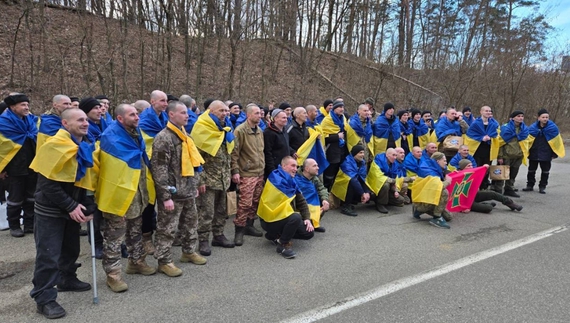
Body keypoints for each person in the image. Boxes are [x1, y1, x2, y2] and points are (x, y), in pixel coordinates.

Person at [29, 108, 97, 319]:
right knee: (48, 255)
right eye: (79, 120)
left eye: (86, 119)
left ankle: (67, 278)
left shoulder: (82, 147)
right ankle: (44, 299)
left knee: (70, 249)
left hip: (72, 208)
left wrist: (87, 206)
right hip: (50, 210)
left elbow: (83, 182)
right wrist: (71, 206)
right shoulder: (53, 146)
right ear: (65, 124)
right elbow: (47, 185)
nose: (85, 123)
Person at [97, 103, 156, 293]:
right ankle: (113, 275)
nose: (137, 117)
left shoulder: (136, 134)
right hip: (119, 197)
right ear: (120, 118)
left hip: (137, 194)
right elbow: (111, 171)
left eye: (137, 114)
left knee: (135, 232)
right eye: (132, 115)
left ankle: (136, 262)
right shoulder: (110, 137)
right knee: (114, 238)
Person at [151, 101, 206, 277]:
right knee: (167, 228)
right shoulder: (163, 138)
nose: (187, 115)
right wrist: (165, 196)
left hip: (188, 190)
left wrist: (196, 184)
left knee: (191, 224)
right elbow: (159, 169)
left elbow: (193, 163)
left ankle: (189, 251)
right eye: (182, 112)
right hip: (173, 193)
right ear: (171, 115)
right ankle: (164, 261)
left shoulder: (185, 135)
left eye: (187, 112)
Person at [191, 100, 236, 256]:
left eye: (226, 110)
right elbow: (195, 159)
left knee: (221, 210)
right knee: (206, 212)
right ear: (210, 111)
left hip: (223, 178)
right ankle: (203, 239)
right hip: (208, 180)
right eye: (221, 111)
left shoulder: (225, 129)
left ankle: (218, 235)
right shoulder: (201, 129)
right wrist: (200, 180)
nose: (225, 113)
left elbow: (229, 155)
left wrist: (231, 173)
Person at [258, 156, 314, 259]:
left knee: (309, 232)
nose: (295, 169)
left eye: (296, 167)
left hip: (284, 217)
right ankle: (283, 244)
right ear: (283, 166)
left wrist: (307, 219)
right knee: (295, 218)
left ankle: (274, 236)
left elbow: (301, 202)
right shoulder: (275, 179)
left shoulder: (292, 181)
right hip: (269, 220)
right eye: (292, 166)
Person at [0, 94, 38, 237]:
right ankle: (14, 226)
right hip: (13, 169)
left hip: (31, 165)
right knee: (15, 199)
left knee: (31, 197)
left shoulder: (31, 121)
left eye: (27, 104)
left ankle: (29, 224)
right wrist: (2, 169)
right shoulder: (2, 123)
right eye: (23, 105)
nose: (26, 107)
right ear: (12, 107)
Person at [138, 90, 169, 256]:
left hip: (164, 165)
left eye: (166, 101)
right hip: (148, 166)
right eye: (162, 101)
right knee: (148, 205)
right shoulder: (144, 121)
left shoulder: (164, 119)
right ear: (152, 101)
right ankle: (146, 238)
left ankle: (162, 235)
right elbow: (146, 144)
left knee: (165, 200)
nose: (165, 104)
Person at [231, 103, 265, 246]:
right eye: (256, 113)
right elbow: (234, 153)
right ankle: (239, 230)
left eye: (260, 113)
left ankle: (249, 225)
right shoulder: (240, 131)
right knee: (245, 202)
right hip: (247, 173)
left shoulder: (259, 131)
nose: (260, 115)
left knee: (255, 201)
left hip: (259, 172)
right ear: (249, 115)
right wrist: (235, 171)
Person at [79, 97, 106, 258]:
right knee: (93, 212)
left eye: (100, 107)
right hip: (90, 175)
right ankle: (96, 244)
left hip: (104, 173)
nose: (100, 110)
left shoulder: (104, 125)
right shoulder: (85, 130)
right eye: (95, 108)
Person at [523, 109, 566, 194]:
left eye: (547, 117)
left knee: (545, 171)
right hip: (534, 152)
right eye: (543, 117)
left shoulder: (553, 128)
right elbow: (527, 140)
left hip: (546, 153)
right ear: (538, 118)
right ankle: (530, 185)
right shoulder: (532, 128)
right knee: (531, 170)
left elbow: (557, 142)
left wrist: (554, 153)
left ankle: (542, 186)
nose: (545, 119)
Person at [456, 160, 522, 213]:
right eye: (468, 166)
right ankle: (484, 204)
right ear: (463, 168)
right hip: (465, 201)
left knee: (492, 193)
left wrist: (485, 169)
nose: (471, 167)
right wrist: (463, 208)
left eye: (471, 165)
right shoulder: (458, 176)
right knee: (488, 208)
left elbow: (480, 177)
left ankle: (510, 203)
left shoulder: (472, 173)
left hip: (473, 195)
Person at [492, 110, 529, 196]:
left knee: (513, 173)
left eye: (522, 116)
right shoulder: (505, 128)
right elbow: (499, 143)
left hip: (518, 155)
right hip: (506, 155)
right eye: (518, 116)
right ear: (512, 118)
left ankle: (509, 188)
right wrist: (500, 156)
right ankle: (498, 190)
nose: (520, 118)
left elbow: (526, 142)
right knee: (501, 174)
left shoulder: (524, 129)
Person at [412, 152, 451, 229]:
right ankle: (436, 218)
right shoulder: (429, 171)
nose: (446, 163)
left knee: (448, 217)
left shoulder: (434, 166)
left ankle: (419, 210)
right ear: (438, 161)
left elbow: (447, 171)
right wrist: (448, 181)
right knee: (444, 192)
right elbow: (439, 187)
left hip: (428, 198)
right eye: (444, 161)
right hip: (423, 199)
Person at [464, 106, 499, 189]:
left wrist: (491, 137)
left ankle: (484, 186)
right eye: (486, 111)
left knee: (486, 169)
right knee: (477, 168)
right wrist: (481, 138)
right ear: (481, 112)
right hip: (477, 150)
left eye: (489, 111)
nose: (488, 112)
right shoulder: (475, 123)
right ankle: (474, 187)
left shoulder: (493, 124)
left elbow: (497, 134)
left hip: (488, 150)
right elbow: (470, 135)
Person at [331, 145, 371, 216]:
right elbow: (353, 179)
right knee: (351, 182)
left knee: (370, 193)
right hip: (341, 186)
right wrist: (362, 193)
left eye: (363, 153)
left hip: (354, 183)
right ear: (354, 154)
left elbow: (363, 179)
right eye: (360, 153)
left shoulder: (362, 162)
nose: (362, 155)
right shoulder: (347, 162)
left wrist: (367, 192)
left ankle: (353, 201)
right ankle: (346, 206)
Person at [366, 148, 406, 214]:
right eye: (393, 155)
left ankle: (380, 199)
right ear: (387, 155)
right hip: (375, 185)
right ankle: (380, 204)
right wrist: (391, 181)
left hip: (389, 185)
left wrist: (395, 190)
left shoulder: (394, 164)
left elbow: (395, 178)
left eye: (396, 155)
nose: (395, 157)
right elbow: (378, 177)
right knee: (386, 184)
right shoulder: (377, 161)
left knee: (401, 201)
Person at [295, 158, 329, 232]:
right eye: (314, 166)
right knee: (306, 233)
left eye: (317, 165)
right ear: (307, 169)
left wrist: (325, 200)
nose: (318, 168)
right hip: (299, 207)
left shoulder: (314, 178)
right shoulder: (296, 179)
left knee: (322, 201)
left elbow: (322, 189)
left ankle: (314, 223)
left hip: (310, 205)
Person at [321, 100, 349, 189]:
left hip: (341, 149)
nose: (342, 109)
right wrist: (337, 136)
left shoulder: (343, 118)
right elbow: (324, 136)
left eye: (343, 107)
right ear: (334, 108)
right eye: (340, 107)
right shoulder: (327, 120)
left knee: (338, 172)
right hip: (331, 150)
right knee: (330, 172)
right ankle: (326, 190)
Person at [264, 109, 294, 177]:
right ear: (275, 118)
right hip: (275, 168)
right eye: (283, 118)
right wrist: (272, 170)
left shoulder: (284, 131)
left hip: (285, 167)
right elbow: (267, 152)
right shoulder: (268, 133)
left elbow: (284, 144)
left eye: (286, 118)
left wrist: (292, 152)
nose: (286, 120)